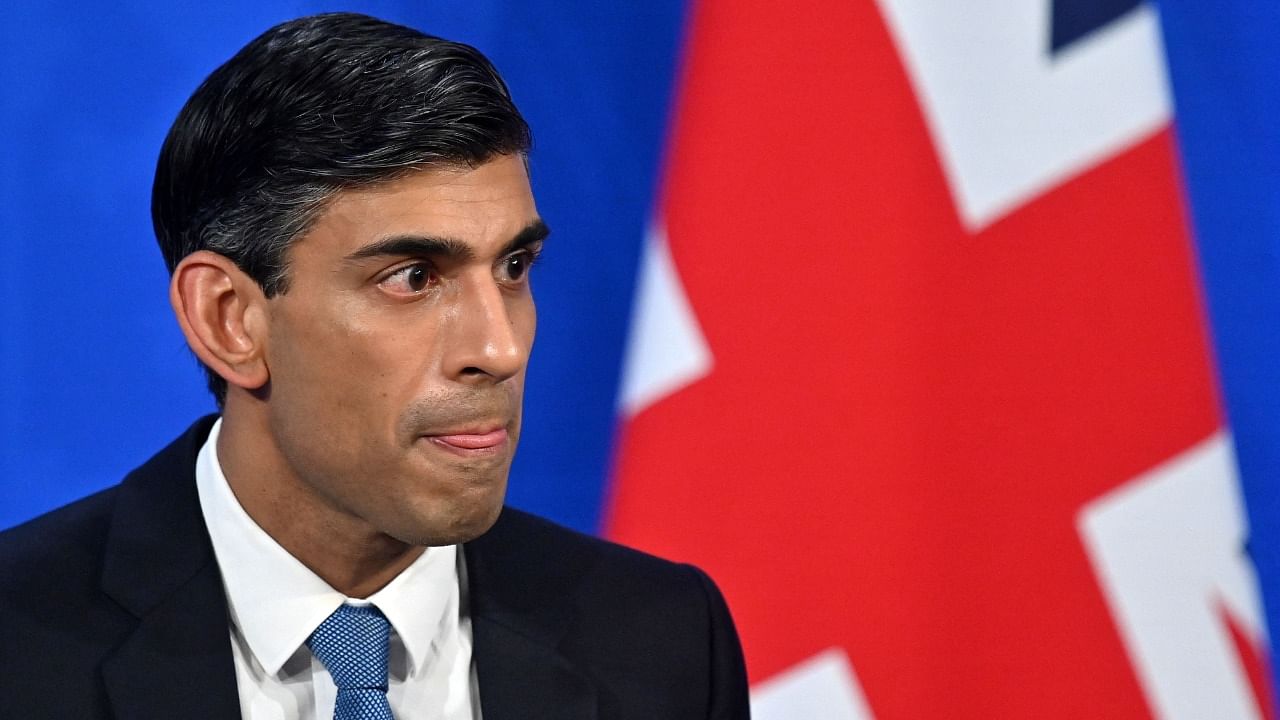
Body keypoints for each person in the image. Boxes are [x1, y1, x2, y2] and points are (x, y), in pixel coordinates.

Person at [0, 13, 749, 720]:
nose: (500, 349)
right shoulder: (19, 648)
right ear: (229, 319)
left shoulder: (665, 642)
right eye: (415, 277)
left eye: (515, 266)